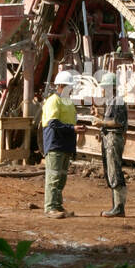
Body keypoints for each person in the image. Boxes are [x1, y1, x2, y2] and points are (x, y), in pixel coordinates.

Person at [41, 70, 77, 218]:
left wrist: (75, 128)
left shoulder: (67, 102)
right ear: (61, 86)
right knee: (53, 177)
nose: (72, 90)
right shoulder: (53, 100)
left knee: (61, 178)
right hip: (55, 143)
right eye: (70, 87)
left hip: (66, 144)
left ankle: (58, 206)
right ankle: (50, 207)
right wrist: (73, 128)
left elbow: (70, 121)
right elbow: (53, 123)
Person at [94, 72, 128, 217]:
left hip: (113, 139)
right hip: (109, 138)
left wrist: (101, 122)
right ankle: (116, 206)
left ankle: (119, 208)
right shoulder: (112, 101)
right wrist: (99, 117)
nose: (101, 90)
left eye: (103, 87)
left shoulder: (117, 101)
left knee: (115, 171)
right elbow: (111, 120)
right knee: (111, 171)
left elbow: (118, 123)